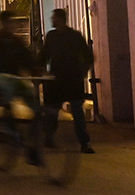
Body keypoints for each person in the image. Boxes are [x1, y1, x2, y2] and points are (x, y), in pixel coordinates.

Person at [39, 8, 95, 154]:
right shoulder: (56, 36)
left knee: (73, 111)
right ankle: (82, 143)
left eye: (54, 17)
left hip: (66, 80)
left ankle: (83, 142)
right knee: (64, 111)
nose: (52, 20)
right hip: (63, 80)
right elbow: (44, 56)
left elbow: (88, 57)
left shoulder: (70, 36)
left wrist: (82, 73)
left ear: (60, 19)